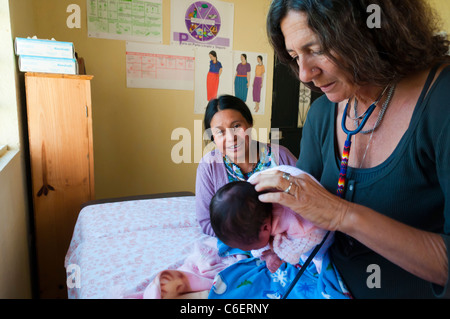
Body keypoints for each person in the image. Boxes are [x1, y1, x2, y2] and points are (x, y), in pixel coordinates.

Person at [250, 0, 450, 299]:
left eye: (316, 49)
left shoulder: (441, 101)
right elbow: (302, 218)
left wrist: (343, 215)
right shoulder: (321, 115)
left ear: (369, 30)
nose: (304, 74)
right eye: (294, 56)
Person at [195, 94, 297, 237]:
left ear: (249, 124)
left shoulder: (281, 156)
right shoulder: (209, 167)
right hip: (236, 244)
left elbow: (306, 199)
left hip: (286, 240)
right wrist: (249, 242)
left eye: (236, 126)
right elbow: (207, 222)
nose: (231, 138)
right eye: (220, 132)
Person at [209, 166, 329, 274]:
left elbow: (302, 245)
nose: (254, 251)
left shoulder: (301, 225)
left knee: (320, 262)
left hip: (323, 230)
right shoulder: (253, 188)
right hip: (291, 186)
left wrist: (277, 253)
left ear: (266, 227)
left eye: (254, 248)